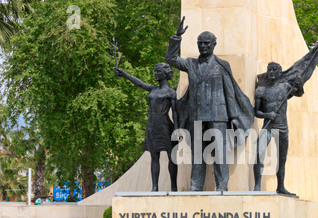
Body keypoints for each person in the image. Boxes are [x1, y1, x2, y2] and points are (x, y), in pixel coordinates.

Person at [165, 16, 254, 192]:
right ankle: (196, 185)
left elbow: (230, 92)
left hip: (218, 115)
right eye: (200, 43)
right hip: (197, 115)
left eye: (206, 43)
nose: (203, 46)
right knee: (198, 153)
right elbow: (171, 59)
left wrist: (234, 116)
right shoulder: (190, 63)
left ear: (214, 45)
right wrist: (177, 37)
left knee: (220, 152)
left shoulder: (222, 65)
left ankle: (222, 184)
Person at [114, 63, 178, 192]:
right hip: (151, 126)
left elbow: (176, 112)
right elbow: (140, 84)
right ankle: (154, 187)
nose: (155, 73)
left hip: (165, 126)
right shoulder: (153, 89)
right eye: (155, 71)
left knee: (172, 157)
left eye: (157, 71)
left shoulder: (171, 92)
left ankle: (174, 186)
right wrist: (124, 74)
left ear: (164, 74)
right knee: (154, 156)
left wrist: (177, 129)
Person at [253, 62, 304, 196]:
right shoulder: (261, 90)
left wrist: (299, 84)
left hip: (282, 128)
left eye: (275, 70)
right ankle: (257, 186)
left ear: (279, 72)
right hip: (268, 127)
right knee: (259, 153)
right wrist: (267, 115)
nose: (272, 72)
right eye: (270, 70)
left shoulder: (285, 87)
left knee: (281, 159)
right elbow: (256, 112)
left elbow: (299, 93)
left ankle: (280, 187)